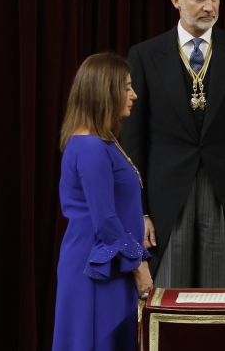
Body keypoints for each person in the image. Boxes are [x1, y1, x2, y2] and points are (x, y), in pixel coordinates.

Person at [121, 0, 225, 288]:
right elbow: (133, 141)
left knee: (218, 301)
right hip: (166, 199)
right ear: (176, 0)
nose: (209, 7)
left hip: (224, 195)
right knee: (171, 298)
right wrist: (140, 211)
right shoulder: (145, 55)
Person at [53, 53, 153, 351]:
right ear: (104, 91)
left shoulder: (102, 139)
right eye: (126, 87)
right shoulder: (91, 147)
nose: (133, 94)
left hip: (111, 263)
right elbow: (106, 220)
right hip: (95, 272)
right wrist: (139, 265)